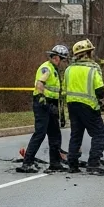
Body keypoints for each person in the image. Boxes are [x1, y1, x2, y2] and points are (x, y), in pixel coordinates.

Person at [16, 44, 70, 173]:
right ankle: (27, 163)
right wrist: (43, 100)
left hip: (51, 104)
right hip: (43, 104)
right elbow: (40, 83)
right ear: (56, 58)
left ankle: (55, 163)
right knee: (40, 133)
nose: (63, 63)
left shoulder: (55, 69)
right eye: (63, 60)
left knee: (55, 133)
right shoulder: (47, 68)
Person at [64, 39, 104, 174]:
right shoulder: (93, 69)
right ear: (87, 53)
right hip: (89, 106)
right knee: (99, 135)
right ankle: (93, 163)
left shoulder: (69, 69)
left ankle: (72, 164)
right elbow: (100, 91)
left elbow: (64, 88)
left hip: (72, 105)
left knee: (76, 135)